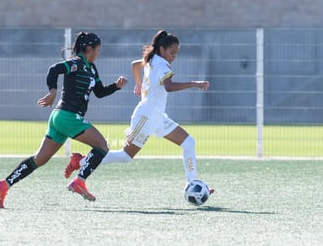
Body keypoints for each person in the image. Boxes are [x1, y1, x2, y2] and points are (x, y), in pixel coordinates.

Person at [64, 30, 214, 194]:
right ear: (162, 49)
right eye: (172, 52)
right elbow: (169, 87)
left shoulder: (152, 59)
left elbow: (135, 65)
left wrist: (139, 84)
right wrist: (194, 83)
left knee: (188, 143)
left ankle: (193, 184)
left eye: (176, 53)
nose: (174, 56)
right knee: (125, 156)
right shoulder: (161, 63)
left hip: (157, 117)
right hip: (146, 116)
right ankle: (81, 161)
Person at [0, 32, 128, 208]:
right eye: (98, 50)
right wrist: (52, 92)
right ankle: (79, 181)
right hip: (68, 116)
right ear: (89, 49)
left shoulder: (92, 68)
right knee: (102, 146)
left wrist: (116, 87)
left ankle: (3, 185)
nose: (99, 53)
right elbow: (54, 70)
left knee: (39, 159)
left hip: (60, 118)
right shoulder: (77, 64)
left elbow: (100, 92)